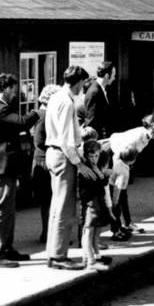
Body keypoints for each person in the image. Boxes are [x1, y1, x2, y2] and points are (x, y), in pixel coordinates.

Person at [0, 73, 33, 268]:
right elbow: (22, 122)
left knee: (8, 211)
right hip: (0, 167)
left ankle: (7, 248)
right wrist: (39, 111)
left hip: (4, 167)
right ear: (6, 88)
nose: (15, 93)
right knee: (1, 211)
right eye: (13, 89)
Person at [44, 65, 89, 270]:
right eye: (83, 83)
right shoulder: (67, 102)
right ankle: (58, 256)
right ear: (79, 82)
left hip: (53, 153)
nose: (83, 87)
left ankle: (53, 252)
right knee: (65, 207)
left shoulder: (55, 96)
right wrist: (78, 162)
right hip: (63, 156)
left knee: (57, 205)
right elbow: (66, 139)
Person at [30, 84, 60, 244]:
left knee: (47, 200)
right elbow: (39, 141)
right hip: (44, 161)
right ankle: (47, 233)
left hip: (42, 159)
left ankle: (48, 232)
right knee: (48, 199)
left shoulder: (42, 113)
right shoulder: (44, 115)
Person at [77, 139, 113, 271]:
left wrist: (102, 175)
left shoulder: (96, 168)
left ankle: (93, 257)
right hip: (90, 205)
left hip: (97, 203)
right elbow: (86, 190)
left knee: (96, 232)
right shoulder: (85, 172)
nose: (93, 159)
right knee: (88, 232)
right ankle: (90, 260)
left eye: (96, 156)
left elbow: (103, 184)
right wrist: (100, 175)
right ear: (85, 156)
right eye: (90, 156)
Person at [78, 61, 116, 139]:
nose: (114, 78)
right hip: (96, 140)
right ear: (107, 76)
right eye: (113, 75)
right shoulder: (95, 91)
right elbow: (91, 120)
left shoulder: (100, 89)